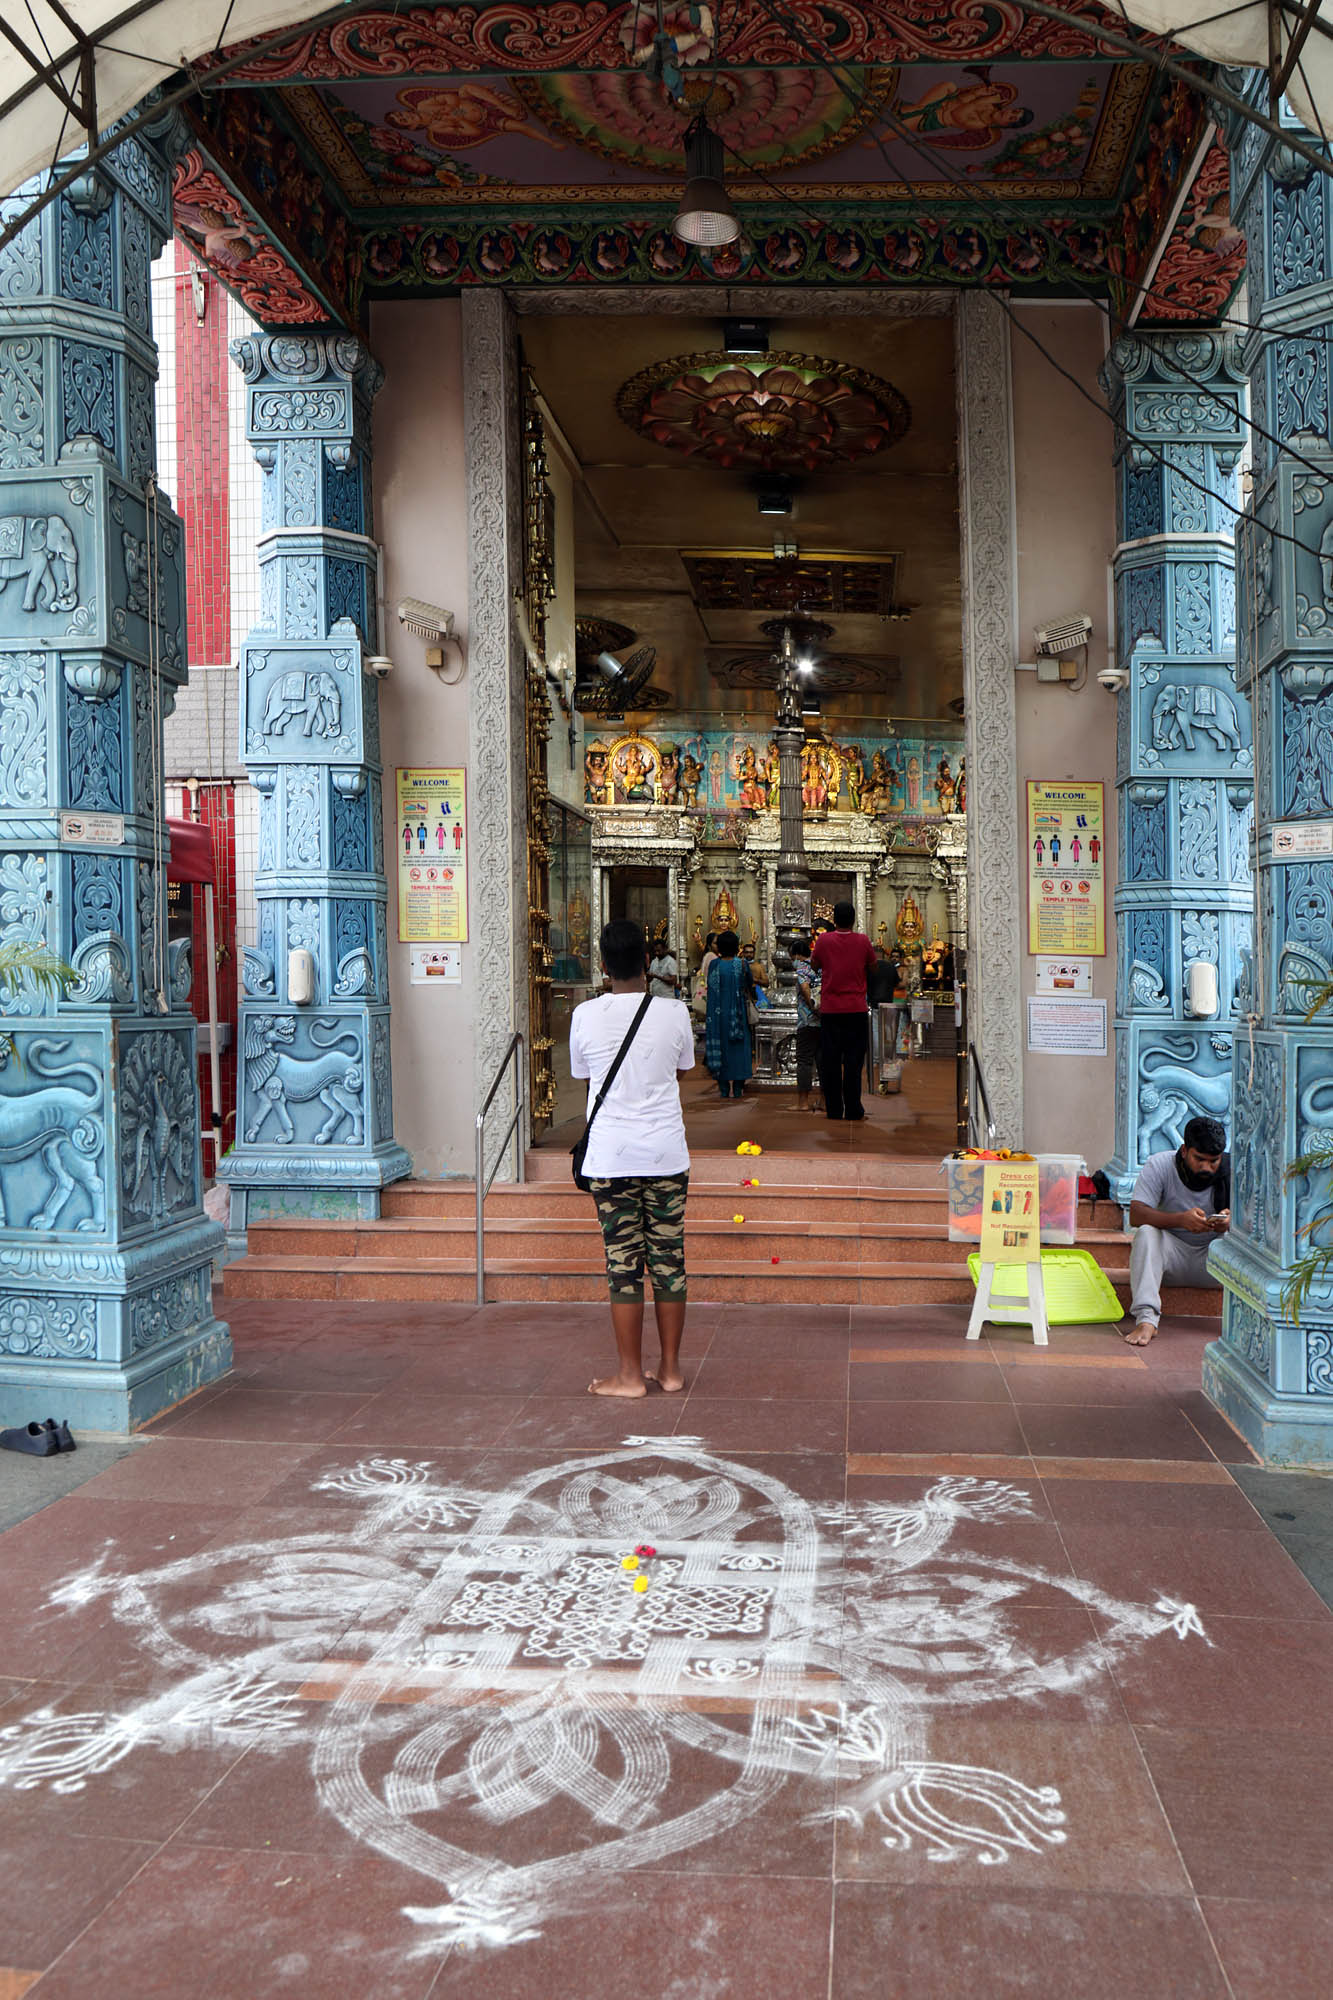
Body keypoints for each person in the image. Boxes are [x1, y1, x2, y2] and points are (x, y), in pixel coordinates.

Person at [569, 918, 693, 1398]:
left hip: (612, 1158)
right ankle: (671, 1370)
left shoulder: (585, 1015)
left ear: (603, 966)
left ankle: (627, 1375)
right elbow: (681, 1071)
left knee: (624, 1264)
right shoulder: (675, 1012)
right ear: (647, 962)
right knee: (669, 1259)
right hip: (665, 1153)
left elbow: (587, 1078)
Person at [1125, 1115, 1230, 1345]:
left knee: (1237, 1240)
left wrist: (1231, 1223)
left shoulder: (1234, 1171)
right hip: (1172, 1258)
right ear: (1184, 1151)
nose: (1207, 1167)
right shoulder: (1159, 1165)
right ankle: (1146, 1320)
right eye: (1199, 1159)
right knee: (1145, 1234)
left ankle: (1237, 1325)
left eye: (1214, 1161)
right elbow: (1136, 1214)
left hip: (1217, 1262)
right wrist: (1180, 1220)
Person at [812, 900, 876, 1120]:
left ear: (834, 920)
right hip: (856, 1008)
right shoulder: (863, 940)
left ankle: (834, 1109)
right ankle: (854, 1109)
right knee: (853, 1062)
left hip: (830, 1009)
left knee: (830, 1061)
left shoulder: (824, 940)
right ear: (854, 919)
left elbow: (814, 965)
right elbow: (873, 965)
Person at [705, 929, 753, 1098]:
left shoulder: (714, 965)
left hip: (717, 1016)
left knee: (722, 1048)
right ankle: (738, 1089)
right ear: (736, 947)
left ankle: (724, 1089)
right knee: (739, 1048)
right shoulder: (742, 964)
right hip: (737, 1015)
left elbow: (710, 988)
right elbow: (750, 984)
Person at [791, 933, 822, 1113]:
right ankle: (824, 1100)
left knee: (804, 1061)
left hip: (807, 1020)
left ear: (794, 954)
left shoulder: (802, 968)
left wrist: (813, 1006)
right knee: (823, 1061)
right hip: (824, 1021)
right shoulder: (819, 967)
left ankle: (803, 1102)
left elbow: (804, 988)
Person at [867, 944, 899, 1094]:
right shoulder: (891, 967)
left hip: (874, 1004)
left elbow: (866, 985)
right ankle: (887, 1059)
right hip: (889, 1003)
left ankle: (876, 1060)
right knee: (888, 1034)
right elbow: (897, 982)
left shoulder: (870, 967)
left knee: (875, 1032)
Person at [648, 932, 678, 999]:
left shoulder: (670, 961)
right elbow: (650, 978)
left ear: (665, 949)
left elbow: (673, 981)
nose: (657, 953)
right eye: (655, 951)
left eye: (659, 951)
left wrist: (657, 976)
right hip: (655, 997)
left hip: (667, 997)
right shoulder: (654, 961)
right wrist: (649, 976)